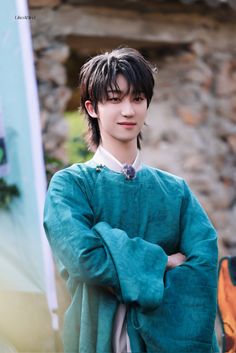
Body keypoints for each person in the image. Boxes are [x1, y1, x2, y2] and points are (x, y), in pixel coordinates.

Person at [43, 47, 219, 353]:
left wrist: (108, 241)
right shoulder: (70, 186)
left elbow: (201, 265)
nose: (128, 110)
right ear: (92, 107)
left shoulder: (175, 190)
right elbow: (86, 260)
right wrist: (162, 262)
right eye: (114, 99)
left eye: (137, 98)